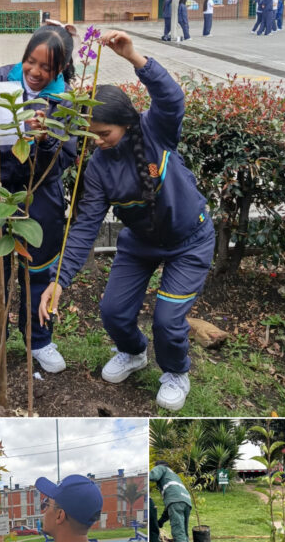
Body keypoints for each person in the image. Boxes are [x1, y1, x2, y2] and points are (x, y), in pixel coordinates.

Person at [39, 30, 215, 411]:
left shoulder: (154, 131)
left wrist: (135, 58)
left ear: (125, 123)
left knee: (168, 320)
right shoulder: (99, 168)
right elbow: (85, 225)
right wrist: (59, 280)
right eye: (91, 135)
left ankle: (175, 372)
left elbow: (172, 98)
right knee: (113, 312)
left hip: (190, 239)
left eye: (104, 133)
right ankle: (134, 352)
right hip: (140, 243)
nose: (97, 141)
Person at [0, 25, 77, 377]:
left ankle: (40, 341)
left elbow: (65, 159)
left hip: (42, 196)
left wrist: (46, 139)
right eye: (30, 62)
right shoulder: (2, 80)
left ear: (60, 69)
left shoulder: (65, 102)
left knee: (39, 270)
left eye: (46, 68)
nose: (35, 73)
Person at [149, 461, 195, 542]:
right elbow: (169, 509)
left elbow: (152, 476)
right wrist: (161, 521)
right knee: (183, 530)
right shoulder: (174, 476)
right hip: (186, 501)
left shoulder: (161, 468)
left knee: (177, 530)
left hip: (175, 501)